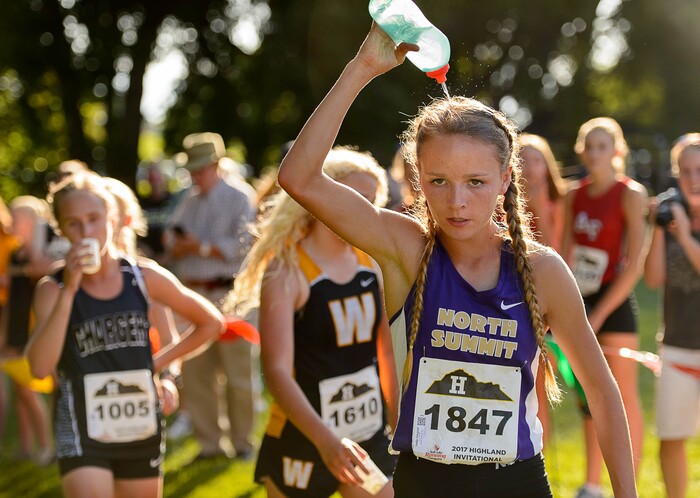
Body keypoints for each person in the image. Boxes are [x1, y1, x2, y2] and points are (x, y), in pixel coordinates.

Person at [275, 22, 637, 498]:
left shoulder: (543, 270)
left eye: (476, 182)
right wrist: (362, 68)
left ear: (506, 179)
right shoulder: (405, 248)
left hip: (518, 483)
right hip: (425, 483)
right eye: (439, 181)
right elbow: (299, 177)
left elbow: (605, 395)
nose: (457, 202)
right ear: (418, 179)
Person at [25, 172, 223, 498]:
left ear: (113, 219)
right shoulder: (53, 288)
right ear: (60, 230)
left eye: (94, 219)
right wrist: (71, 289)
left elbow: (210, 323)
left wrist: (160, 367)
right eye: (73, 223)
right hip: (81, 425)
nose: (86, 231)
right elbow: (39, 368)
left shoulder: (143, 277)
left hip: (138, 421)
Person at [225, 146, 398, 497]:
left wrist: (399, 423)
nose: (360, 209)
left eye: (370, 200)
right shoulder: (287, 271)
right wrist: (326, 440)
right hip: (303, 436)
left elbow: (386, 356)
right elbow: (276, 371)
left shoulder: (373, 264)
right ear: (320, 197)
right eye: (351, 197)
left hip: (367, 431)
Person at [561, 117, 647, 498]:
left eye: (602, 146)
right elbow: (564, 253)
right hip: (580, 298)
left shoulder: (631, 194)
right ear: (581, 152)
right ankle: (592, 484)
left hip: (614, 302)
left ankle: (629, 485)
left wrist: (598, 314)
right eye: (589, 147)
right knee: (589, 398)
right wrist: (571, 309)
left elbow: (636, 265)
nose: (594, 153)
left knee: (624, 397)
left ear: (617, 151)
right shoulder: (572, 195)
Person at [163, 132, 260, 460]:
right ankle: (209, 444)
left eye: (200, 170)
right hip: (193, 295)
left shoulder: (239, 196)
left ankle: (243, 443)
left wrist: (200, 246)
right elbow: (169, 239)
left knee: (237, 374)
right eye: (192, 171)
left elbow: (244, 246)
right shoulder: (187, 200)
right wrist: (176, 243)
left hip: (228, 293)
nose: (195, 177)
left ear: (217, 165)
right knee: (196, 372)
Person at [644, 133, 700, 498]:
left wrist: (681, 229)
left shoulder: (681, 221)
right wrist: (657, 227)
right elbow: (652, 278)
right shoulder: (671, 219)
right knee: (672, 437)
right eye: (685, 172)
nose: (694, 179)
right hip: (678, 345)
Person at [519, 133, 568, 448]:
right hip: (514, 299)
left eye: (536, 159)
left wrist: (538, 208)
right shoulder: (500, 203)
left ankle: (539, 454)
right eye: (522, 159)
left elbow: (555, 252)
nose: (529, 167)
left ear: (547, 166)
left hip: (544, 303)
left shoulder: (559, 203)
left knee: (538, 385)